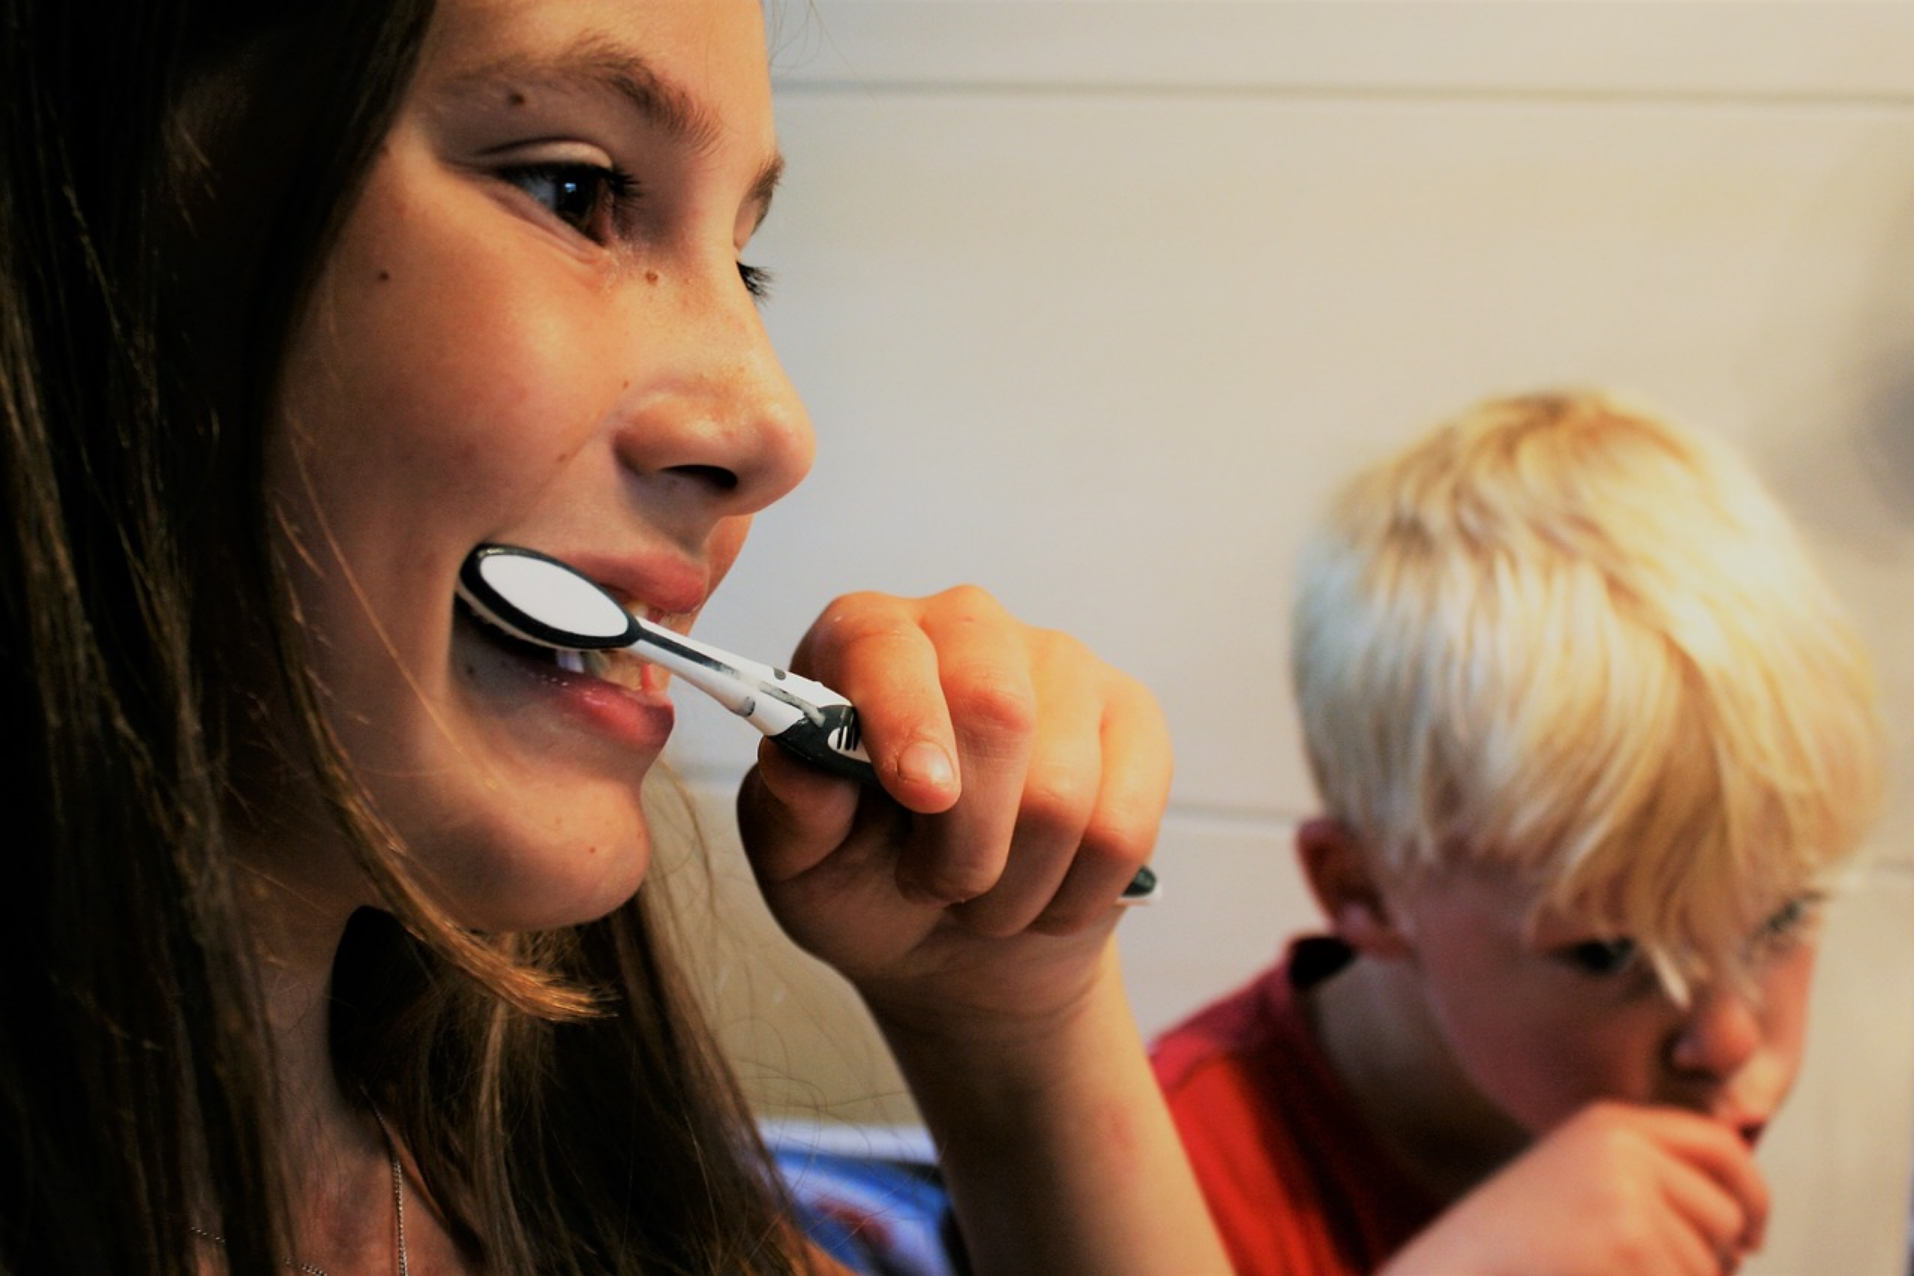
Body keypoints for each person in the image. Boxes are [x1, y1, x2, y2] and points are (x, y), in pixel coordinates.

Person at [0, 1, 1231, 1272]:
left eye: (745, 264)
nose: (774, 430)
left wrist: (1016, 1037)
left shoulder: (590, 1194)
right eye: (573, 190)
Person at [1151, 392, 1884, 1276]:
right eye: (1612, 953)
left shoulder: (1615, 1119)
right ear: (1365, 889)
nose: (1730, 1042)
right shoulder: (1157, 1190)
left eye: (1784, 917)